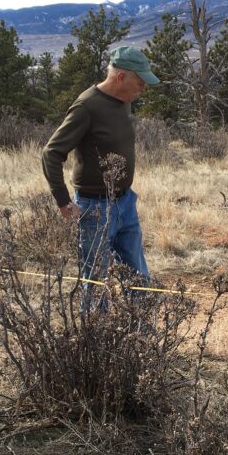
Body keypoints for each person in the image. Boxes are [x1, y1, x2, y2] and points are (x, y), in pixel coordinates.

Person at [41, 46, 159, 301]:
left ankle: (142, 335)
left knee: (138, 277)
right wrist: (63, 201)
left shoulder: (124, 101)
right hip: (94, 207)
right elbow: (51, 153)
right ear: (120, 77)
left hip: (126, 203)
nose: (143, 89)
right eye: (140, 82)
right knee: (96, 283)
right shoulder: (86, 106)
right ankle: (94, 338)